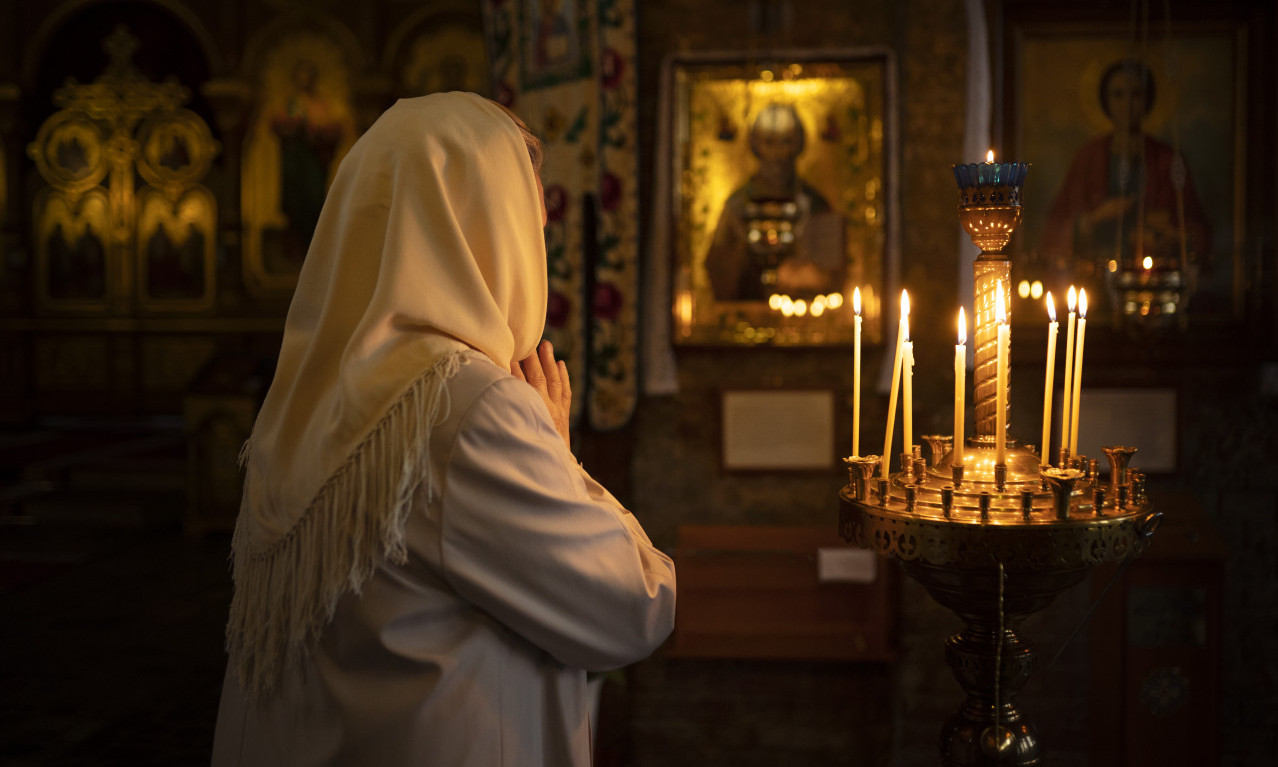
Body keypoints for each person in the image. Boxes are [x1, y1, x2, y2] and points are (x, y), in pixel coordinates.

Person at [212, 92, 676, 766]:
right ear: (490, 225)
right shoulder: (472, 407)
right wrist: (556, 448)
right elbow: (635, 606)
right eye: (528, 215)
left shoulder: (303, 397)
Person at [1039, 58, 1212, 307]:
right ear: (1106, 101)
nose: (1128, 104)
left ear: (1148, 100)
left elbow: (1197, 228)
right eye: (1118, 95)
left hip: (1153, 287)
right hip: (1095, 287)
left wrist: (1175, 237)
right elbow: (1055, 230)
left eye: (1136, 94)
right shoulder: (1089, 157)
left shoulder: (1167, 158)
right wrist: (1094, 219)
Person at [703, 101, 845, 302]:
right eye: (769, 142)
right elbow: (717, 267)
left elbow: (832, 274)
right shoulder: (737, 206)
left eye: (787, 141)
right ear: (756, 144)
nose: (778, 153)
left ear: (799, 144)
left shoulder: (815, 204)